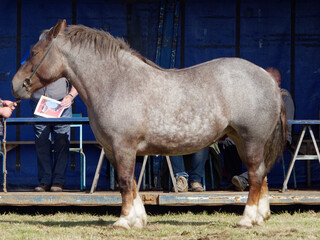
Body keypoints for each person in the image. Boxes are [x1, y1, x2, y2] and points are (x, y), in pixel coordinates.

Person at [231, 67, 295, 191]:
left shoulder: (284, 96)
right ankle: (234, 180)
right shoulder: (259, 97)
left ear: (277, 81)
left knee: (267, 145)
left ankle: (245, 179)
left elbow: (286, 123)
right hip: (258, 135)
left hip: (279, 136)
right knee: (230, 142)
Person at [30, 77, 78, 192]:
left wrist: (70, 96)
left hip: (62, 106)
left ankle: (58, 181)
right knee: (41, 143)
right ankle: (44, 181)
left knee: (62, 142)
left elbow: (77, 81)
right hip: (40, 105)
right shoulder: (31, 60)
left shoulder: (64, 60)